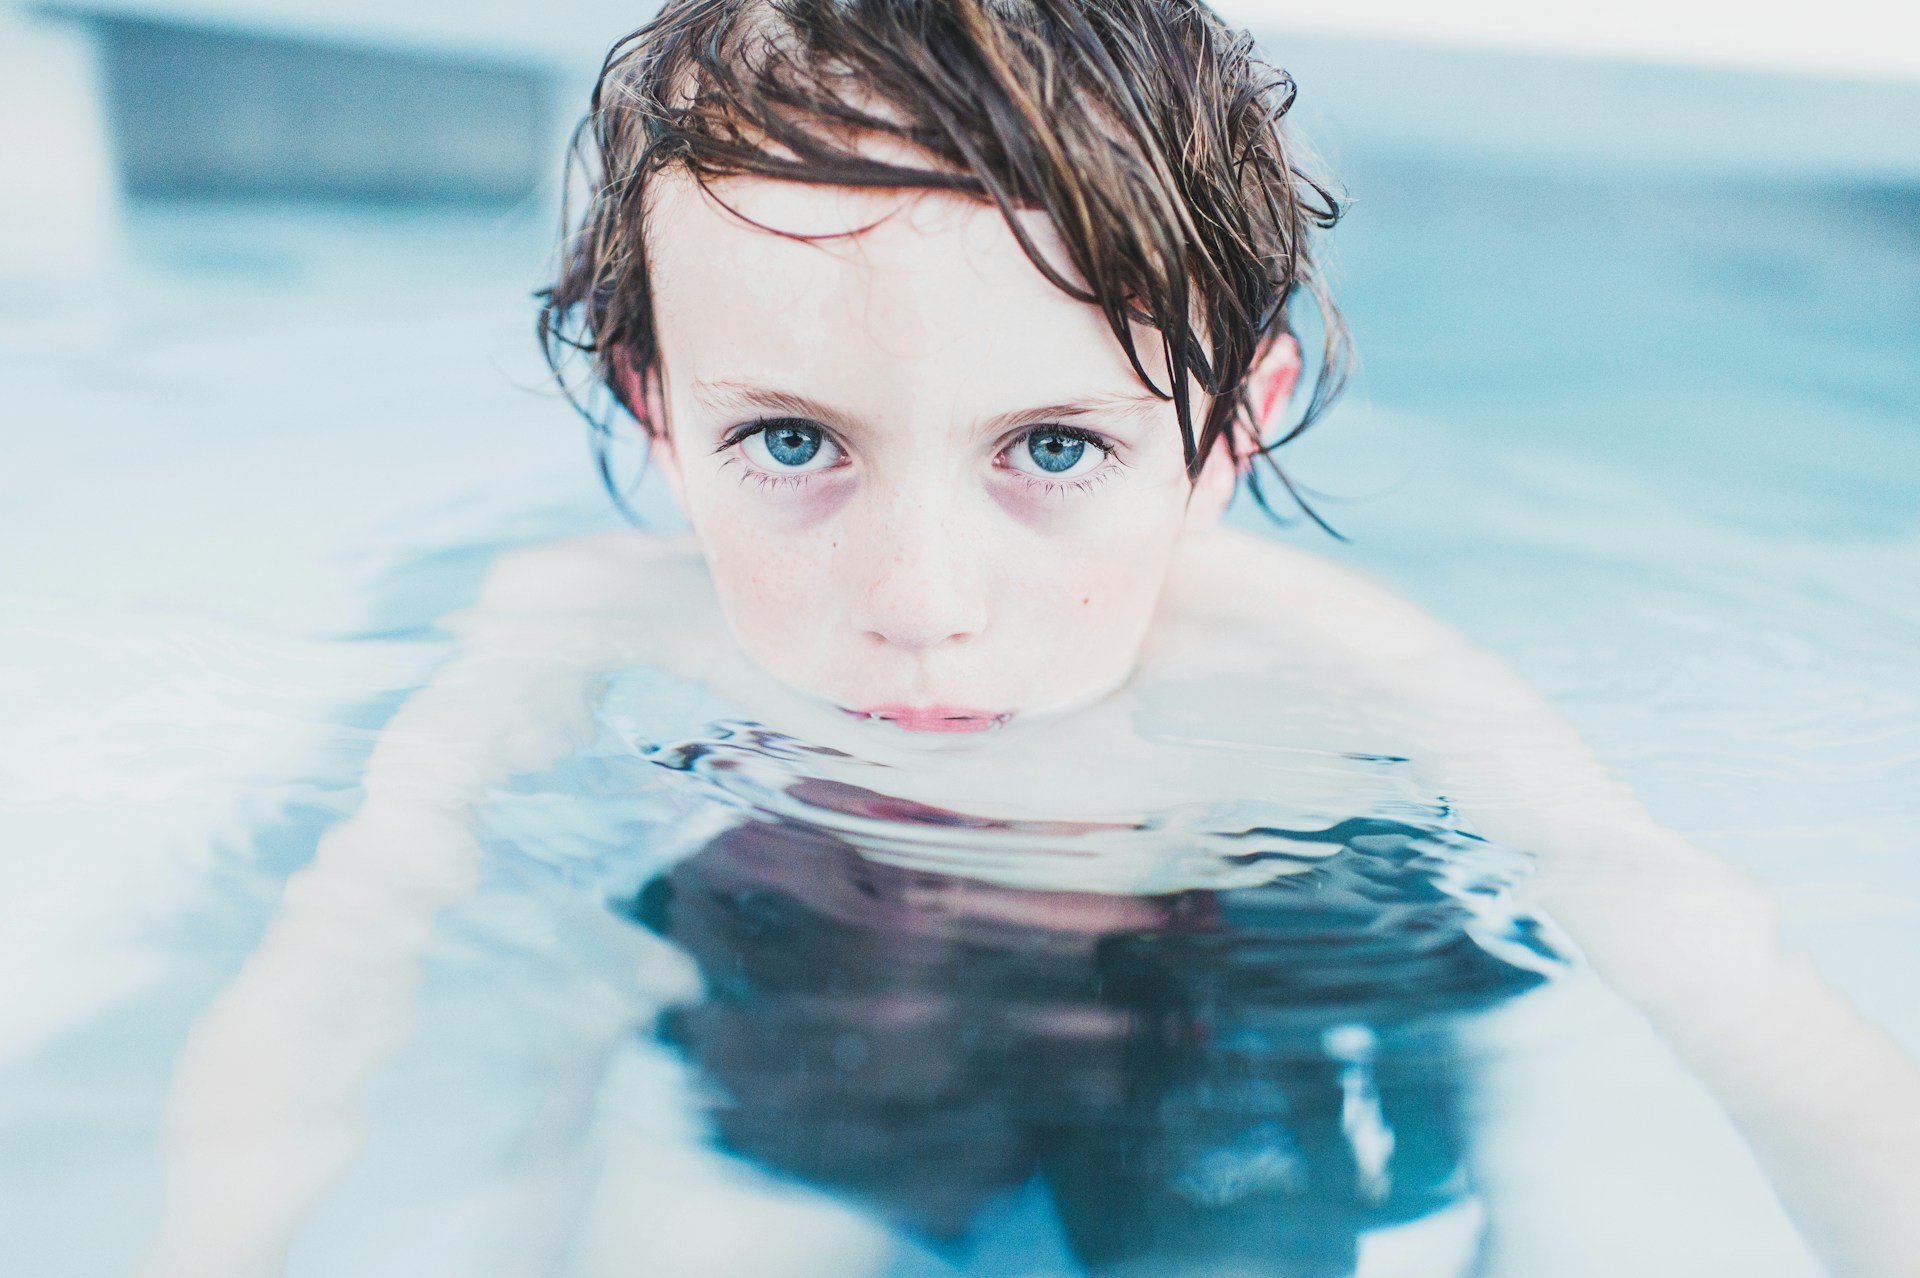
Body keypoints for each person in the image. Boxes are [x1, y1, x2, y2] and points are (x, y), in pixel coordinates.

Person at [143, 2, 1920, 1276]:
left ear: (1234, 428)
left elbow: (1718, 969)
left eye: (1053, 448)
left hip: (1251, 980)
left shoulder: (1341, 674)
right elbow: (344, 960)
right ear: (655, 403)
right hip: (828, 980)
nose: (924, 599)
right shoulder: (572, 625)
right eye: (792, 441)